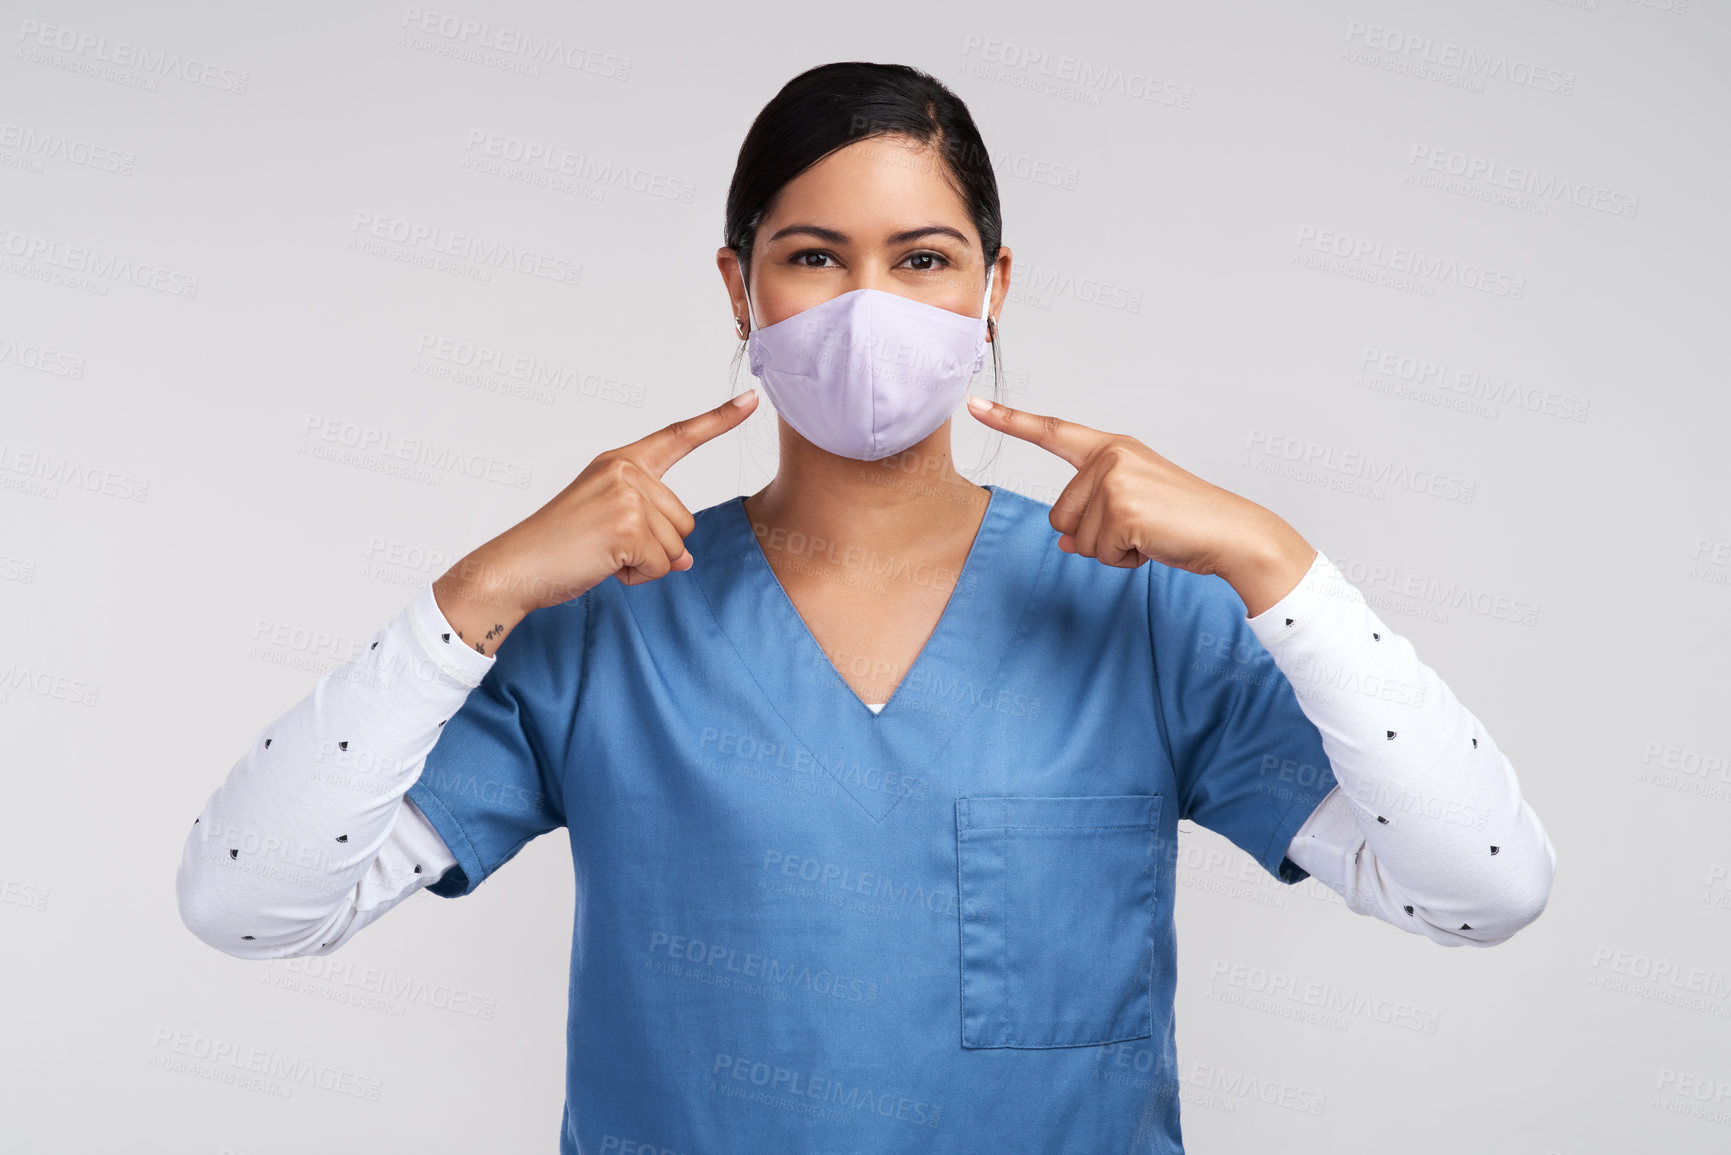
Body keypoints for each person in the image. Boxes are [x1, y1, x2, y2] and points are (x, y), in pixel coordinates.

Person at [177, 61, 1557, 1154]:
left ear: (994, 288)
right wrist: (476, 594)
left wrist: (1277, 564)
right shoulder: (609, 629)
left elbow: (1482, 890)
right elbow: (251, 905)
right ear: (742, 284)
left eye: (926, 259)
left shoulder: (1140, 620)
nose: (870, 306)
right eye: (816, 257)